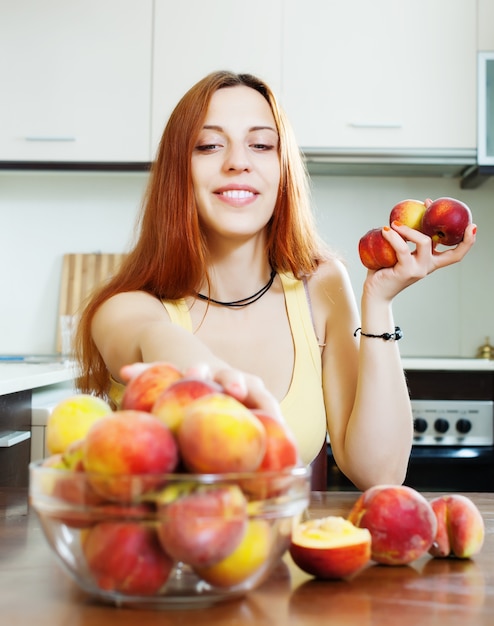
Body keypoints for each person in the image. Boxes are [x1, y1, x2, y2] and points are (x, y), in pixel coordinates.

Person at [74, 71, 476, 491]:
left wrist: (380, 301)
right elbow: (156, 340)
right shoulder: (127, 306)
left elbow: (380, 474)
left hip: (279, 553)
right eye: (209, 145)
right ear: (179, 171)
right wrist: (230, 388)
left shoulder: (320, 286)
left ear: (282, 169)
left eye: (262, 144)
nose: (238, 161)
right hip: (171, 553)